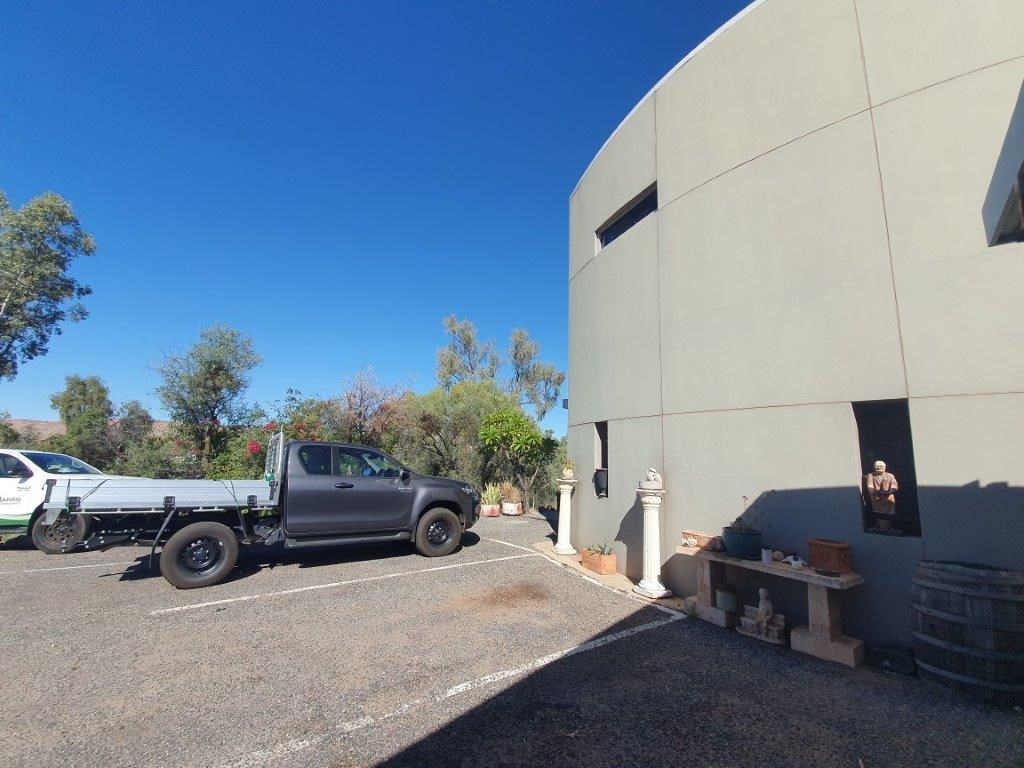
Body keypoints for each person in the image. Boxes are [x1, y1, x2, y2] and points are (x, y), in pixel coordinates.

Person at [865, 460, 898, 529]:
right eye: (878, 466)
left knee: (890, 513)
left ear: (885, 467)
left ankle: (890, 526)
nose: (879, 467)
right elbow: (870, 486)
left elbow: (894, 485)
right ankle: (879, 525)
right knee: (878, 513)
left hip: (888, 499)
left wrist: (890, 492)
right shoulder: (871, 475)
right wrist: (874, 492)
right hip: (877, 499)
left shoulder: (890, 475)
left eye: (881, 466)